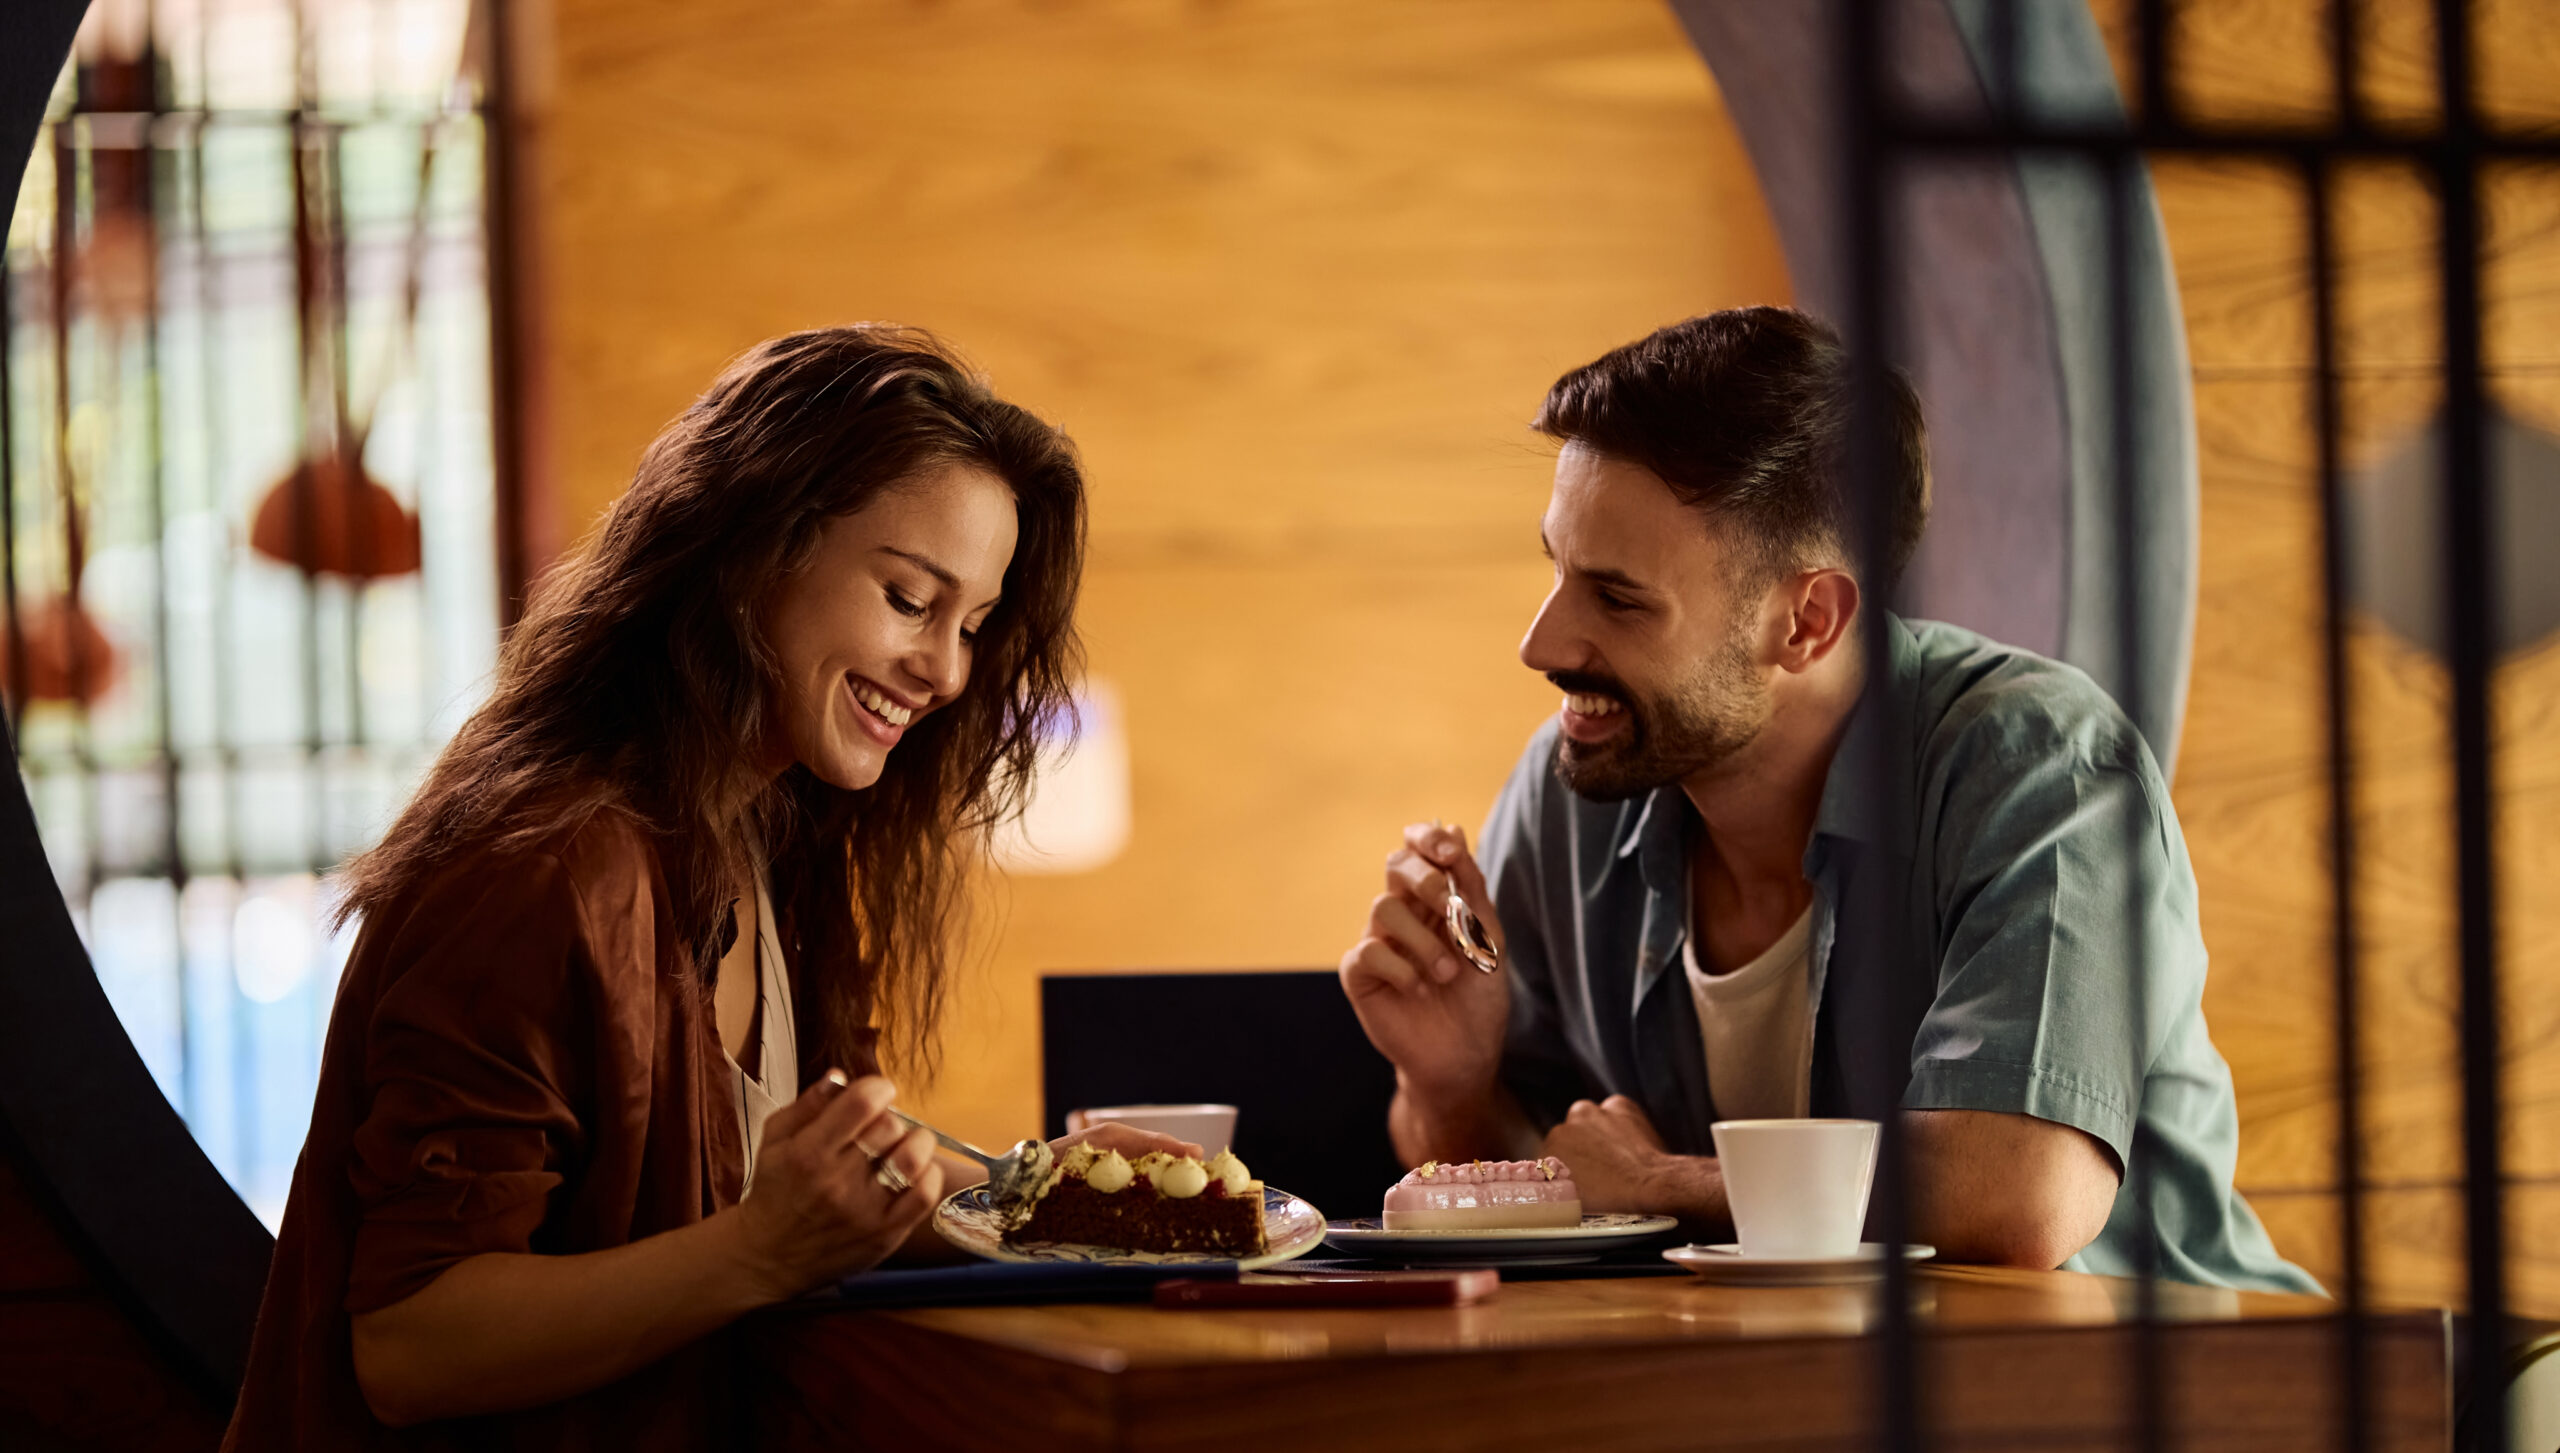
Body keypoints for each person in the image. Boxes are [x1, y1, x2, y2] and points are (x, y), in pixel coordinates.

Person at [225, 326, 1197, 1449]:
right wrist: (761, 1251)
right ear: (750, 548)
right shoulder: (542, 868)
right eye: (906, 598)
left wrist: (1050, 1197)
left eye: (971, 624)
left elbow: (821, 1187)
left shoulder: (772, 836)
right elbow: (411, 1343)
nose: (946, 670)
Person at [1339, 307, 2315, 1292]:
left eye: (1617, 597)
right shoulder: (1578, 786)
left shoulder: (2041, 766)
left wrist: (1657, 1183)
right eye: (1556, 569)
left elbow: (2014, 1198)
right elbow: (1520, 1164)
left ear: (1807, 620)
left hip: (2167, 1394)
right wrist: (1449, 1079)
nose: (1541, 644)